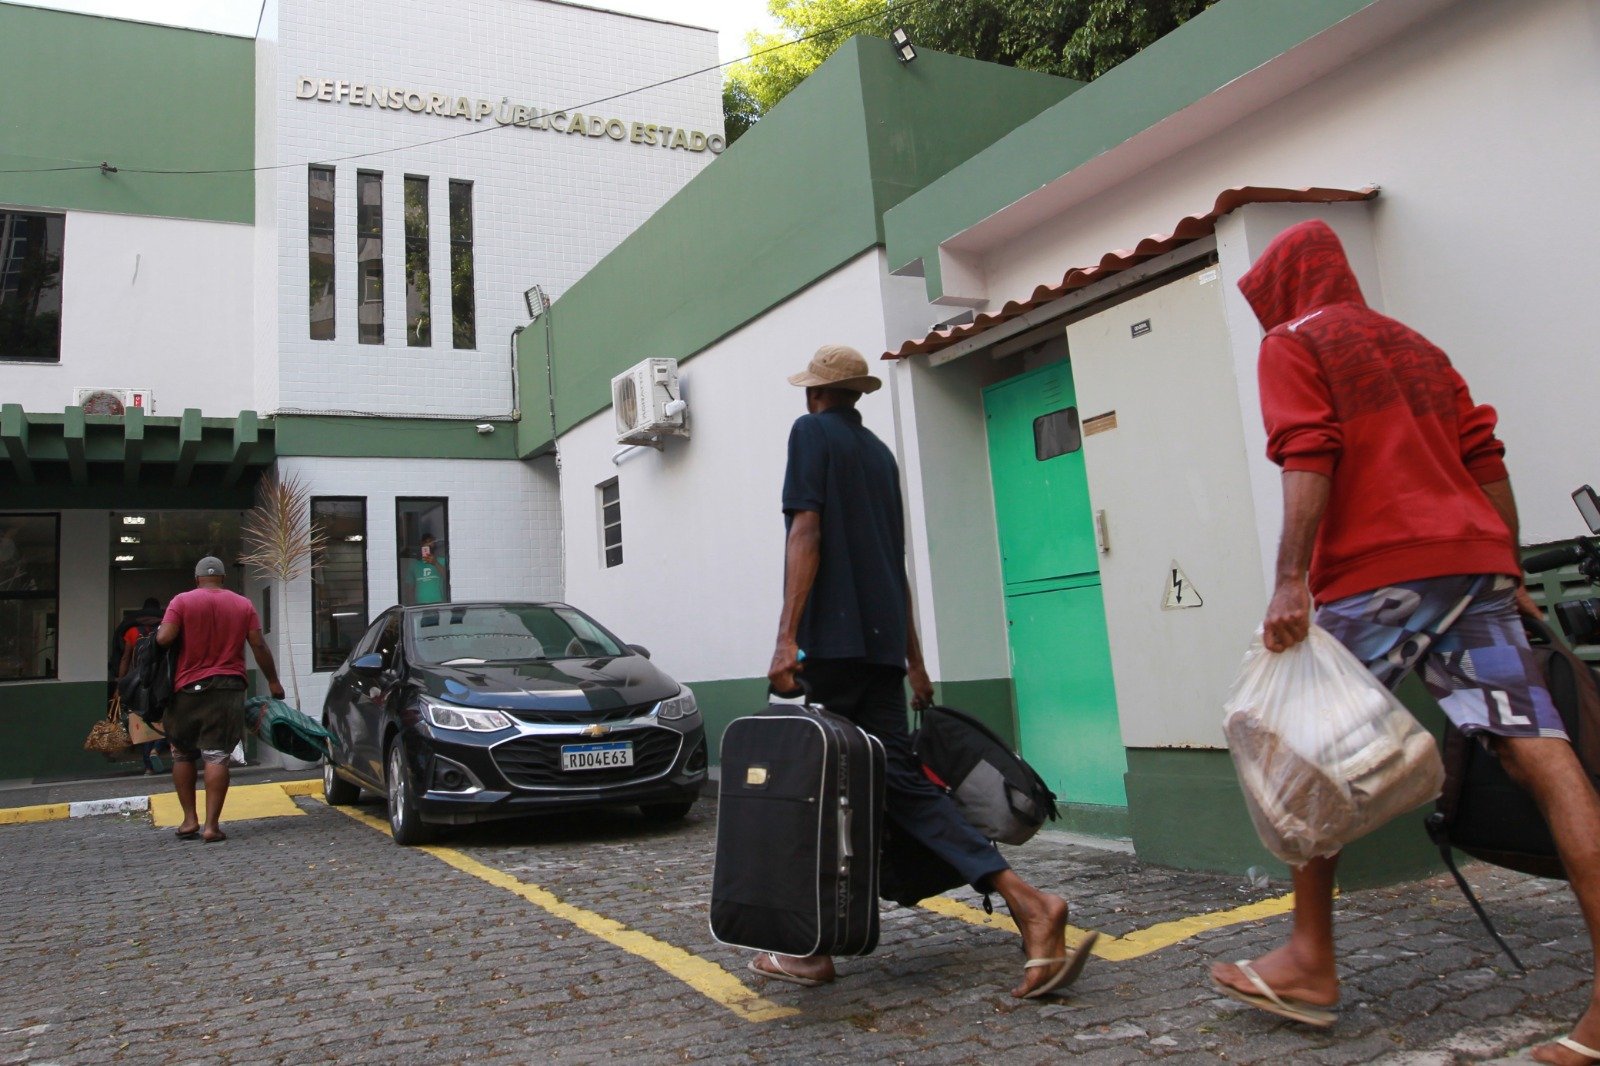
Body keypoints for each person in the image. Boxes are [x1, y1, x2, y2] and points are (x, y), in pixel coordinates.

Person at [1210, 219, 1600, 1065]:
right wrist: (1510, 561)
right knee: (1547, 757)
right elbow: (1483, 454)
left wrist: (1291, 577)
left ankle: (1311, 961)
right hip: (1472, 570)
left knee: (1302, 749)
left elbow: (1309, 450)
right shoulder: (1418, 347)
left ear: (1283, 285)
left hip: (1378, 580)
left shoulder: (1293, 340)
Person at [760, 344, 1092, 999]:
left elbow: (807, 533)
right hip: (881, 650)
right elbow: (894, 564)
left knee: (811, 793)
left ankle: (811, 950)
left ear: (815, 395)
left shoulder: (809, 434)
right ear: (857, 394)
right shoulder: (880, 457)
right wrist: (912, 659)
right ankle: (1029, 904)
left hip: (831, 650)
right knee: (903, 787)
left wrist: (785, 640)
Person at [156, 557, 285, 843]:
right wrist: (274, 681)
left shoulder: (182, 601)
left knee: (182, 753)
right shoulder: (243, 604)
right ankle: (212, 826)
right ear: (224, 579)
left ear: (197, 578)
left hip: (186, 689)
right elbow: (258, 645)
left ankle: (189, 820)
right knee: (216, 755)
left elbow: (164, 638)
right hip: (228, 689)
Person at [116, 598, 169, 774]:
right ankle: (158, 748)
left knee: (144, 720)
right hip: (161, 679)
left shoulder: (132, 631)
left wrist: (121, 683)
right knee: (167, 718)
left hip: (139, 681)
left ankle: (148, 767)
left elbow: (125, 658)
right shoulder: (164, 629)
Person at [409, 534, 448, 605]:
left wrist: (435, 563)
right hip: (419, 604)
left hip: (438, 602)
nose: (428, 544)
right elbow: (409, 587)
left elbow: (448, 578)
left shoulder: (442, 561)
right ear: (421, 545)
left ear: (434, 544)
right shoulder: (414, 564)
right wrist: (411, 604)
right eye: (425, 542)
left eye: (430, 541)